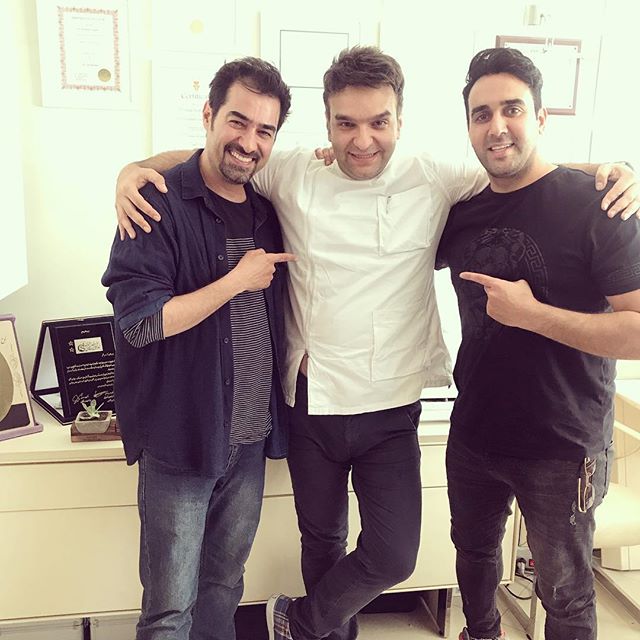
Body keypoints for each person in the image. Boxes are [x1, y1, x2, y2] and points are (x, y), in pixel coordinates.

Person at [112, 47, 639, 640]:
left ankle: (297, 622)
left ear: (400, 121)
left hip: (391, 405)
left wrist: (613, 169)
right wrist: (134, 169)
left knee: (394, 552)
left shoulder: (436, 174)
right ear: (327, 124)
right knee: (322, 541)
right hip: (311, 401)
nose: (362, 141)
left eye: (378, 123)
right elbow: (220, 156)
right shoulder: (291, 170)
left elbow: (524, 167)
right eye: (346, 124)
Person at [435, 47, 640, 640]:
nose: (496, 126)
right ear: (469, 127)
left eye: (513, 109)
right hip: (473, 432)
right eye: (481, 114)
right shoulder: (462, 213)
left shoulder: (599, 205)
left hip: (563, 445)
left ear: (542, 118)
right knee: (473, 559)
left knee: (565, 594)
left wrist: (533, 316)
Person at [101, 57, 295, 640]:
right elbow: (139, 324)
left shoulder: (267, 211)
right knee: (169, 610)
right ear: (208, 115)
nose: (249, 142)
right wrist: (236, 281)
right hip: (181, 437)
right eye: (238, 121)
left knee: (224, 588)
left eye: (265, 130)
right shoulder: (154, 205)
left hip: (251, 441)